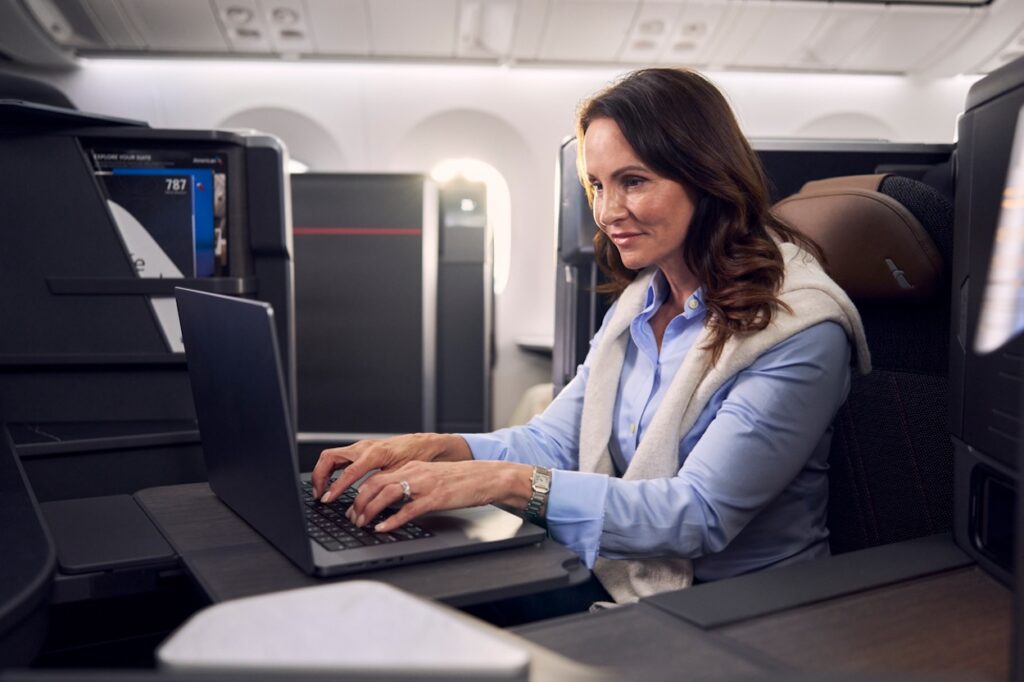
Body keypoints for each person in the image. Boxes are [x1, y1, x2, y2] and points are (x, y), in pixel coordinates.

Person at [312, 67, 870, 604]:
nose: (607, 211)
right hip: (623, 573)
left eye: (634, 182)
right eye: (597, 185)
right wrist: (438, 451)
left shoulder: (798, 328)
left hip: (734, 606)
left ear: (707, 177)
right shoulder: (640, 300)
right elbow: (557, 441)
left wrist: (502, 483)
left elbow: (698, 515)